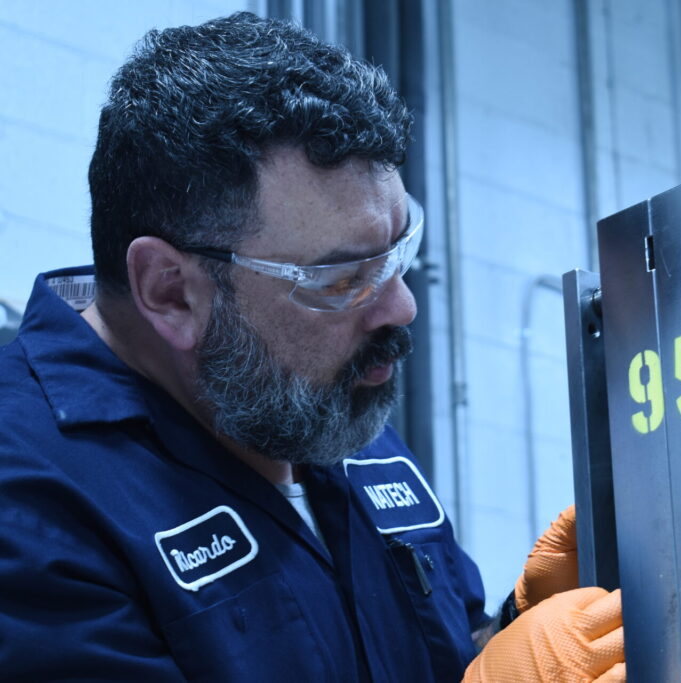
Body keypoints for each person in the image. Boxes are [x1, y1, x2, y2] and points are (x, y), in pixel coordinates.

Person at [0, 11, 625, 682]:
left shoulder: (320, 404)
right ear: (170, 291)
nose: (401, 305)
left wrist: (519, 625)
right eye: (344, 277)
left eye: (397, 252)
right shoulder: (30, 497)